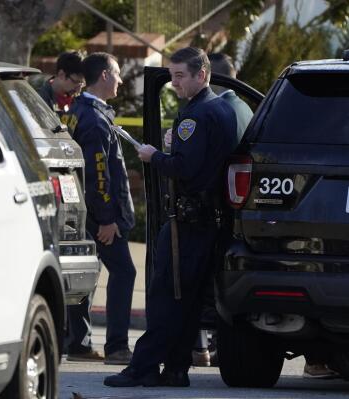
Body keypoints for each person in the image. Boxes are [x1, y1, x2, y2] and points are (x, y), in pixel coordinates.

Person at [104, 47, 237, 387]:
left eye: (180, 76)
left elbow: (184, 168)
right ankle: (176, 370)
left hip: (188, 223)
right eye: (172, 75)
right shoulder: (221, 110)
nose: (174, 83)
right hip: (210, 221)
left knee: (166, 296)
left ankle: (142, 367)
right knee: (188, 300)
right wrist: (174, 146)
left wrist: (154, 156)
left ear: (201, 75)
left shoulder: (195, 115)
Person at [65, 52, 137, 365]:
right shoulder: (93, 119)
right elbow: (98, 177)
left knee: (86, 275)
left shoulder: (79, 110)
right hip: (99, 216)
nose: (121, 80)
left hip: (81, 212)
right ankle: (118, 347)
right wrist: (108, 220)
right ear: (105, 76)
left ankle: (79, 344)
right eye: (118, 73)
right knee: (124, 272)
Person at [37, 51, 103, 362]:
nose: (76, 90)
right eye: (74, 83)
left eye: (80, 86)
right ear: (60, 74)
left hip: (68, 192)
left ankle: (73, 339)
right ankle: (69, 339)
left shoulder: (73, 104)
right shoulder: (37, 98)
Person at [191, 52, 256, 367]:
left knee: (200, 282)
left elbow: (197, 164)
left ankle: (198, 347)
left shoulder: (211, 110)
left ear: (205, 77)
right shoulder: (244, 107)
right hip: (241, 212)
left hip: (212, 209)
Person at [37, 51, 85, 119]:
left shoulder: (78, 100)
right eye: (75, 82)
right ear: (61, 74)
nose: (79, 89)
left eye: (82, 84)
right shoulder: (40, 100)